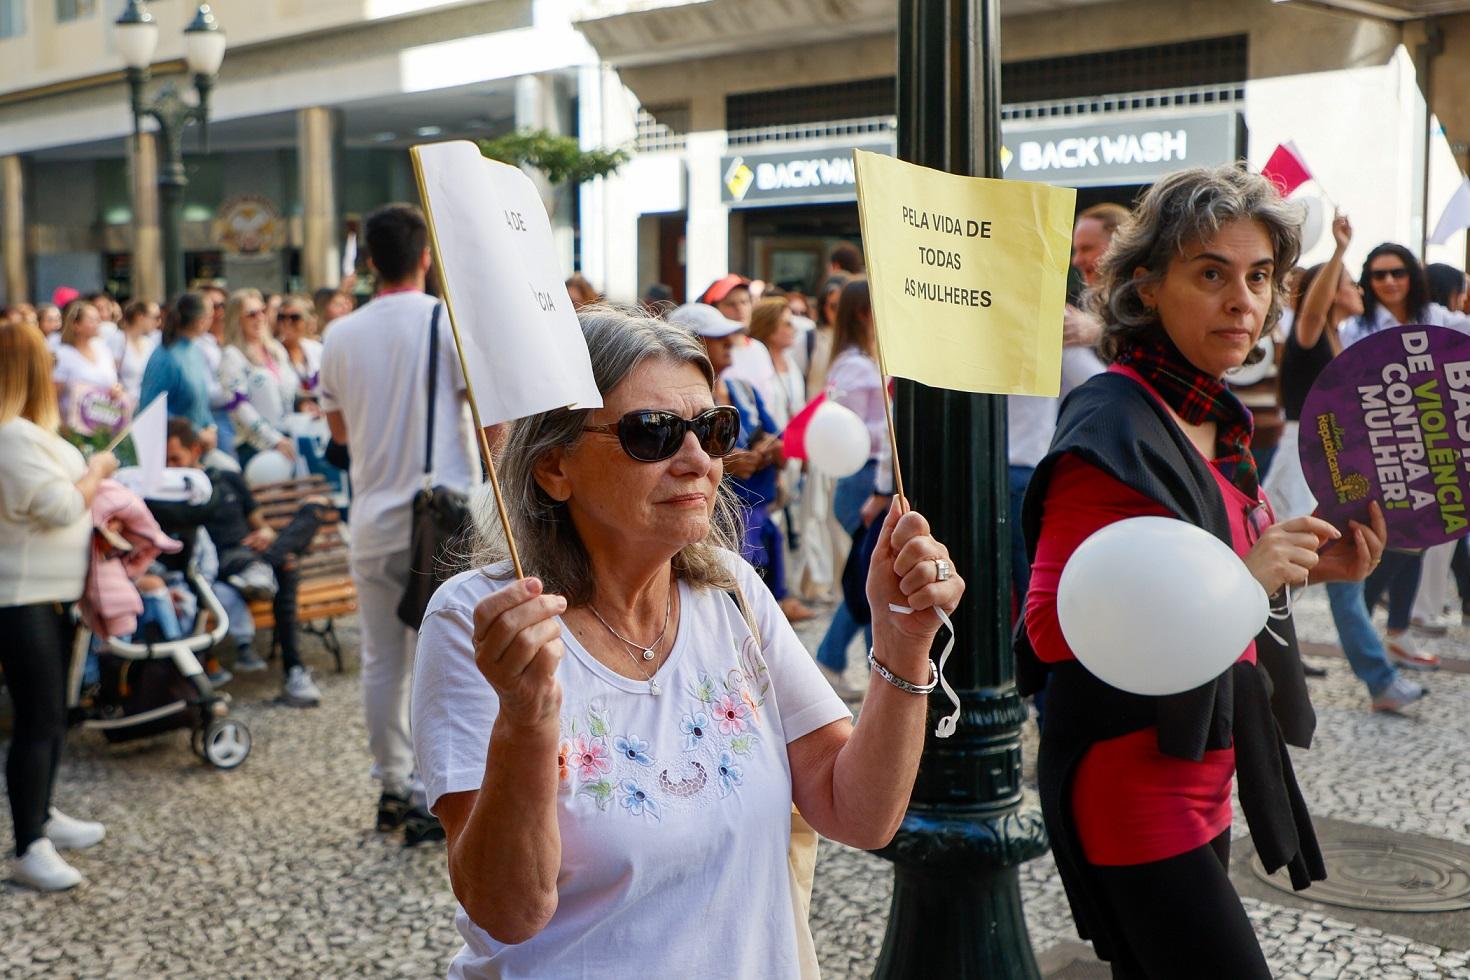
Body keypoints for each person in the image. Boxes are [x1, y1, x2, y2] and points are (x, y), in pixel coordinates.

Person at [411, 305, 964, 977]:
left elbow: (858, 813)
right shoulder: (481, 620)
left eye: (712, 428)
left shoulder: (729, 593)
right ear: (554, 467)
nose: (698, 459)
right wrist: (525, 722)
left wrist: (903, 647)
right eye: (653, 433)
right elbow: (509, 910)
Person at [1021, 166, 1388, 978]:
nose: (1243, 300)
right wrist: (1245, 578)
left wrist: (1309, 571)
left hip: (1207, 759)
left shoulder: (1213, 414)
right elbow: (1053, 625)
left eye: (1259, 276)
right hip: (1131, 779)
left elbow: (1194, 583)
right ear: (1146, 287)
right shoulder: (1114, 416)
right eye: (1211, 273)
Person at [321, 202, 480, 843]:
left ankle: (391, 784)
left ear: (366, 262)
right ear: (424, 257)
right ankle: (428, 790)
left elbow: (337, 432)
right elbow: (482, 406)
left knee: (381, 659)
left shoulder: (338, 334)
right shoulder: (446, 324)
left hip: (372, 515)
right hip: (438, 515)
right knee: (439, 658)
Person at [1261, 215, 1426, 709]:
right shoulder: (1312, 334)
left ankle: (1283, 670)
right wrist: (1338, 251)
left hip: (1323, 461)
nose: (1359, 289)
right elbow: (1311, 308)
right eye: (1351, 283)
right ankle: (1378, 681)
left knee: (1319, 574)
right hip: (1300, 461)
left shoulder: (1335, 339)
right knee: (1312, 573)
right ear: (1331, 293)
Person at [0, 322, 114, 891]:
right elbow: (59, 507)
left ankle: (41, 816)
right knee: (38, 718)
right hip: (21, 596)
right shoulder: (10, 436)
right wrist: (95, 472)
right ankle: (28, 844)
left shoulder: (26, 431)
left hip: (50, 593)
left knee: (52, 715)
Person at [1338, 243, 1466, 672]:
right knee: (1391, 541)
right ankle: (1359, 614)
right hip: (1378, 449)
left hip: (1432, 447)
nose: (1389, 281)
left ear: (1412, 274)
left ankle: (1397, 633)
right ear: (1368, 281)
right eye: (1378, 275)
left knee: (1420, 538)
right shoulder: (1357, 327)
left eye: (1397, 272)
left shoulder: (1438, 318)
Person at [159, 417, 325, 705]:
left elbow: (260, 524)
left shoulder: (228, 479)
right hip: (219, 564)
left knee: (314, 510)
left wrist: (264, 532)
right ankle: (294, 671)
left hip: (251, 553)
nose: (172, 467)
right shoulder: (171, 496)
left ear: (195, 451)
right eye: (166, 461)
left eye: (176, 458)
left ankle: (262, 568)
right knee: (285, 566)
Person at [672, 303, 813, 624]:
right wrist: (724, 464)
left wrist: (773, 452)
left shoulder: (742, 390)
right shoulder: (672, 406)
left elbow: (771, 432)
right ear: (690, 342)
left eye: (729, 336)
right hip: (713, 523)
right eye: (717, 337)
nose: (729, 343)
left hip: (756, 513)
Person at [813, 279, 896, 692]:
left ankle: (855, 665)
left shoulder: (856, 361)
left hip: (866, 473)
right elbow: (852, 428)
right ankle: (835, 661)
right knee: (868, 577)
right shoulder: (856, 366)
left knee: (869, 574)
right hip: (863, 476)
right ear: (865, 312)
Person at [1411, 264, 1470, 635]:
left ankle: (1421, 607)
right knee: (1445, 527)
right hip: (1441, 439)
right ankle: (1422, 608)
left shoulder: (1412, 319)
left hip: (1423, 434)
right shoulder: (1439, 318)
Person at [219, 289, 298, 464]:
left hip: (289, 438)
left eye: (262, 311)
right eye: (251, 314)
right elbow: (241, 408)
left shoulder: (276, 349)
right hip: (256, 447)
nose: (260, 317)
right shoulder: (232, 355)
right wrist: (275, 440)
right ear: (237, 320)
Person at [139, 292, 220, 447]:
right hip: (173, 450)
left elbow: (201, 401)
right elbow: (150, 409)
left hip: (197, 446)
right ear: (200, 321)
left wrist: (210, 427)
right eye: (210, 314)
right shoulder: (165, 358)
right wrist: (196, 433)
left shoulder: (195, 349)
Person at [52, 299, 123, 425]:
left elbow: (114, 382)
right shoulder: (63, 354)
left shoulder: (103, 349)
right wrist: (62, 426)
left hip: (104, 424)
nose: (98, 323)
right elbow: (53, 397)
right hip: (73, 427)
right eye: (91, 320)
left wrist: (117, 389)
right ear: (76, 325)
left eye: (98, 319)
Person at [110, 300, 161, 404]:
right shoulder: (118, 340)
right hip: (123, 406)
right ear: (140, 316)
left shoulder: (149, 343)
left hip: (145, 404)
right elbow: (110, 376)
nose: (158, 322)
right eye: (155, 317)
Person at [276, 295, 325, 401]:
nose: (287, 322)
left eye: (294, 318)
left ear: (306, 321)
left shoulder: (317, 349)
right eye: (281, 317)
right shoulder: (272, 352)